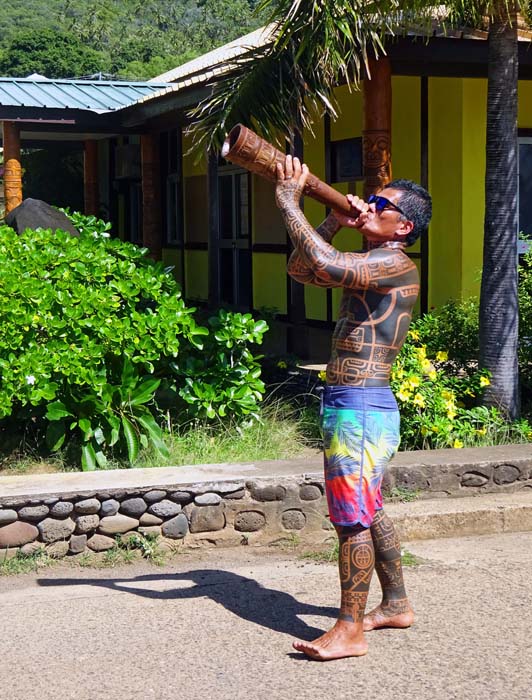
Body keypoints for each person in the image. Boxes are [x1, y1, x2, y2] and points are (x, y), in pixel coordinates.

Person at [275, 155, 432, 661]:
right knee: (369, 507)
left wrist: (286, 200)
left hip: (359, 407)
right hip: (357, 404)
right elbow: (301, 269)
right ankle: (396, 604)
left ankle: (350, 629)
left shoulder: (393, 261)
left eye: (381, 204)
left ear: (402, 226)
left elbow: (323, 263)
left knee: (351, 520)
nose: (371, 204)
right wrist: (330, 220)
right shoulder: (375, 263)